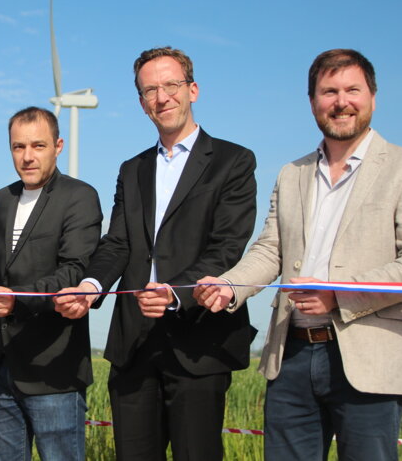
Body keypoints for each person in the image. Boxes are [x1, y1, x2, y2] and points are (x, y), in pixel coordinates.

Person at [193, 49, 402, 461]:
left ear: (373, 97)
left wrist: (338, 295)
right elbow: (270, 249)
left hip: (370, 360)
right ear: (312, 101)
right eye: (329, 91)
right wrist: (228, 286)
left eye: (352, 90)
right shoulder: (291, 173)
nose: (341, 101)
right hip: (290, 356)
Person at [54, 46, 258, 460]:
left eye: (171, 85)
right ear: (142, 103)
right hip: (134, 346)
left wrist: (176, 291)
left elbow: (228, 246)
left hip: (198, 341)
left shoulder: (233, 162)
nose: (162, 97)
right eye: (150, 90)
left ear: (193, 90)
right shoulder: (133, 169)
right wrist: (91, 285)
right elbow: (118, 242)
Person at [0, 107, 102, 461]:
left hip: (55, 370)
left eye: (38, 145)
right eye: (18, 147)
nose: (28, 156)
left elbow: (74, 271)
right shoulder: (0, 200)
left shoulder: (79, 196)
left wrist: (17, 299)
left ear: (58, 145)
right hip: (2, 370)